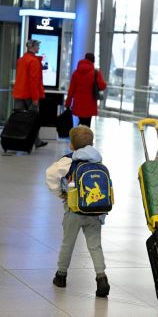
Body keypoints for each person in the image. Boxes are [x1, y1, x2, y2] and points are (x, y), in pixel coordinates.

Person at [45, 125, 110, 297]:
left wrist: (60, 193)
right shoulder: (98, 160)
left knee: (68, 243)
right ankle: (101, 278)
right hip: (95, 210)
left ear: (71, 145)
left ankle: (61, 276)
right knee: (95, 245)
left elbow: (50, 174)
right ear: (91, 143)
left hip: (74, 210)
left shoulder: (68, 160)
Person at [12, 39, 47, 148]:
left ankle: (18, 141)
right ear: (32, 47)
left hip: (19, 93)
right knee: (33, 120)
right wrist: (35, 98)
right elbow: (34, 80)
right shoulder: (34, 61)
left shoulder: (21, 60)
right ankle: (34, 141)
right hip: (30, 95)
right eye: (37, 46)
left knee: (19, 120)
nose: (39, 48)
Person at [65, 53, 107, 127]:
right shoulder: (95, 72)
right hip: (90, 103)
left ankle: (78, 135)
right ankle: (84, 137)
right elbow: (102, 86)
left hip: (78, 103)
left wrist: (68, 103)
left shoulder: (76, 73)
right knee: (87, 124)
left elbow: (71, 90)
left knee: (81, 121)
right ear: (93, 61)